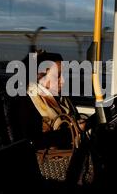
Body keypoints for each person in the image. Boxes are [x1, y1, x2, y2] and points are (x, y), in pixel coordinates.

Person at [12, 50, 91, 183]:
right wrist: (73, 130)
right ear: (40, 76)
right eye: (58, 76)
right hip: (44, 166)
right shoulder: (27, 101)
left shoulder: (61, 99)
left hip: (70, 158)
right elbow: (31, 141)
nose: (64, 81)